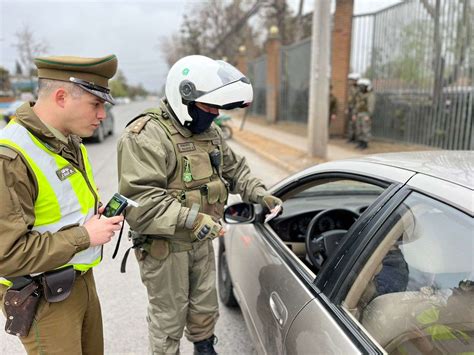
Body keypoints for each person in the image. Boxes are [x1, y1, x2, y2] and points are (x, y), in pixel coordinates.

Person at [117, 55, 282, 355]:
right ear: (185, 99)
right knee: (168, 318)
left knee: (205, 305)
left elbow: (235, 170)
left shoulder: (209, 132)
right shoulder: (145, 136)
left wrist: (259, 193)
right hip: (165, 249)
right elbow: (142, 202)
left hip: (202, 241)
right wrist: (193, 219)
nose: (215, 114)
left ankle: (205, 348)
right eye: (209, 107)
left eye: (218, 108)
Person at [0, 54, 123, 354]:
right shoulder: (10, 157)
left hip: (79, 280)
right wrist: (86, 235)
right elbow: (7, 255)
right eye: (96, 104)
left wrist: (93, 218)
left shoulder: (66, 140)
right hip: (43, 297)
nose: (102, 115)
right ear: (61, 97)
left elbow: (60, 206)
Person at [354, 78, 375, 150]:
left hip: (365, 114)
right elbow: (357, 105)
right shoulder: (359, 95)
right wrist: (355, 113)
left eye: (362, 86)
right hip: (359, 113)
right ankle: (360, 142)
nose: (360, 88)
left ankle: (365, 143)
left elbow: (371, 105)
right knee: (359, 128)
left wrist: (368, 115)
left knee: (365, 129)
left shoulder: (370, 95)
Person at [346, 73, 360, 142]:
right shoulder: (351, 88)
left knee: (356, 123)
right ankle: (351, 137)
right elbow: (349, 99)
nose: (350, 81)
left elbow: (357, 100)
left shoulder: (359, 89)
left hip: (356, 108)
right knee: (351, 123)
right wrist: (347, 108)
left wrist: (355, 111)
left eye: (352, 80)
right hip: (351, 107)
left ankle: (356, 138)